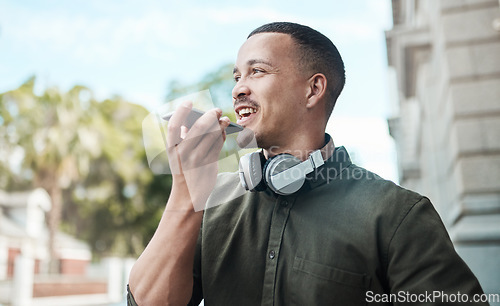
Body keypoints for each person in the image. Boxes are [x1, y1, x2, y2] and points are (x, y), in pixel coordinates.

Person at [127, 22, 487, 305]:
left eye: (258, 72)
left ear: (313, 90)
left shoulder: (396, 214)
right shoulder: (211, 201)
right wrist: (186, 193)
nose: (237, 89)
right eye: (237, 76)